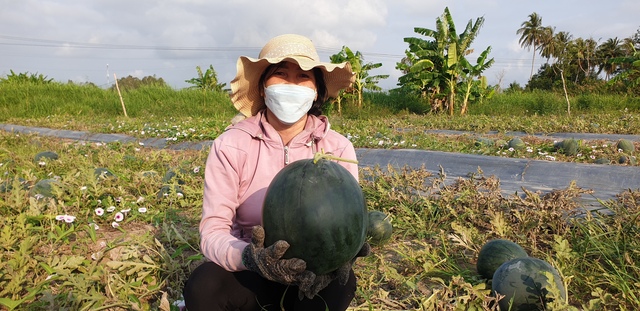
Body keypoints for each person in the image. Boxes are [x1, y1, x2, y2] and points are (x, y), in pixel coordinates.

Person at [182, 34, 370, 311]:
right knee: (204, 286)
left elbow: (349, 219)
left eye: (303, 76)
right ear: (262, 87)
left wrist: (347, 253)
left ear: (316, 90)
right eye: (280, 74)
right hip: (251, 272)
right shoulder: (231, 144)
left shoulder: (337, 147)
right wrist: (250, 258)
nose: (291, 84)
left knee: (342, 284)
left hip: (311, 273)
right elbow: (213, 231)